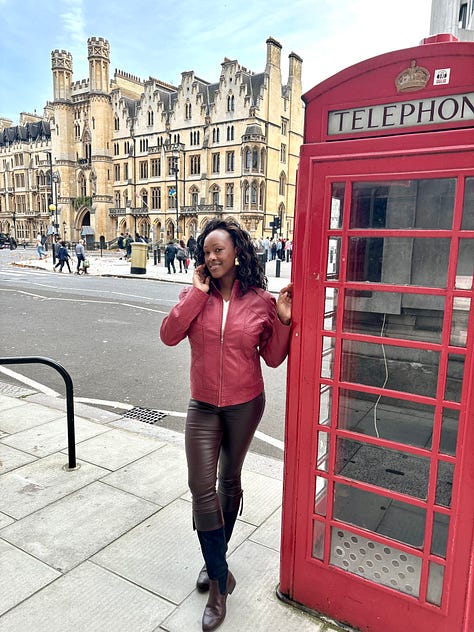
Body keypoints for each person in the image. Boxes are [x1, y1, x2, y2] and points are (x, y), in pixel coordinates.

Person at [160, 218, 292, 632]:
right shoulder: (193, 295)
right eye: (206, 251)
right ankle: (221, 581)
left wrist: (285, 321)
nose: (211, 257)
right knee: (200, 487)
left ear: (237, 252)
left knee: (228, 482)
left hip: (244, 405)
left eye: (219, 249)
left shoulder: (260, 300)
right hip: (203, 406)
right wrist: (195, 297)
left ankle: (212, 559)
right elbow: (168, 335)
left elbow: (271, 358)